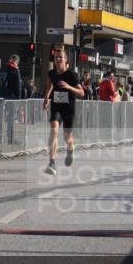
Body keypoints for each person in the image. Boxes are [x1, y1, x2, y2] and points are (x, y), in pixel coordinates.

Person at [42, 47, 84, 175]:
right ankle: (52, 163)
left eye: (60, 57)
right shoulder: (52, 73)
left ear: (66, 60)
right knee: (54, 130)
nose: (58, 59)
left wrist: (69, 87)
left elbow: (81, 93)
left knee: (67, 137)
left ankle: (70, 148)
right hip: (56, 106)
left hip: (68, 108)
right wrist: (46, 97)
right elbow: (50, 83)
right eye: (56, 57)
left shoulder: (71, 75)